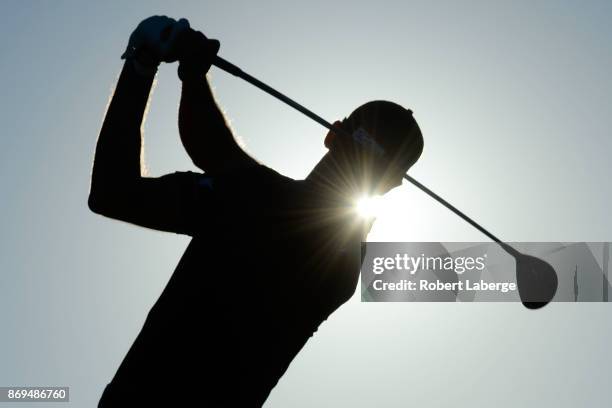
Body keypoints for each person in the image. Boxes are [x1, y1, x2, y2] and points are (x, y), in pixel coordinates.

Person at [90, 16, 424, 407]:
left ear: (332, 133)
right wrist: (193, 78)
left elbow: (117, 190)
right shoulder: (345, 267)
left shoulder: (262, 200)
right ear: (392, 185)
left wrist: (144, 63)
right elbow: (219, 154)